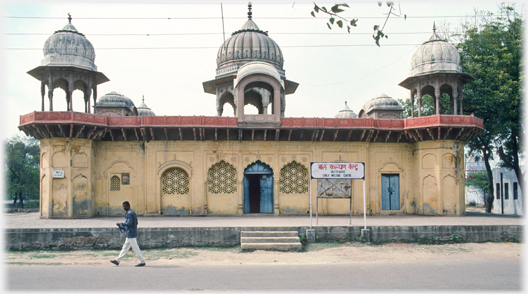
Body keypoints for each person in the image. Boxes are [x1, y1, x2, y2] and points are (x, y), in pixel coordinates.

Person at [110, 201, 146, 267]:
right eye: (123, 207)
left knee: (135, 249)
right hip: (130, 233)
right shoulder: (132, 212)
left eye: (125, 206)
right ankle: (117, 260)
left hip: (131, 234)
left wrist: (121, 224)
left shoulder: (129, 213)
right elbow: (136, 222)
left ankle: (142, 261)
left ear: (128, 206)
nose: (124, 208)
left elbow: (129, 223)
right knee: (125, 248)